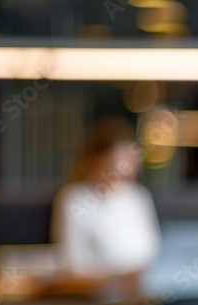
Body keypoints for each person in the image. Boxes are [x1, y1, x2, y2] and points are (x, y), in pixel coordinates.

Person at [49, 118, 161, 289]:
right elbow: (72, 265)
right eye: (120, 161)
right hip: (98, 298)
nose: (128, 169)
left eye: (132, 160)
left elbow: (152, 252)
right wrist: (116, 277)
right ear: (96, 161)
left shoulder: (139, 197)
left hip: (142, 292)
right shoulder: (74, 199)